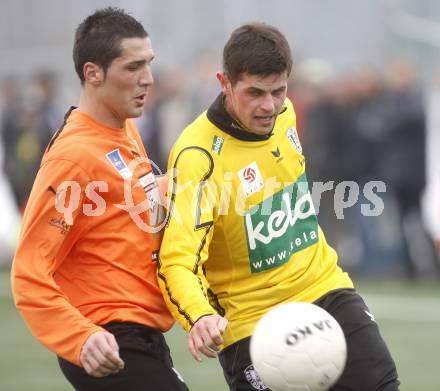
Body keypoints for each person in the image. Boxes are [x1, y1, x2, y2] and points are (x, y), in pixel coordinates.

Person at [158, 23, 400, 391]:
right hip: (252, 322)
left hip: (324, 287)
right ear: (225, 83)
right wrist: (199, 316)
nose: (269, 106)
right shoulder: (198, 157)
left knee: (383, 384)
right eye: (254, 92)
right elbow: (177, 260)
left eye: (278, 91)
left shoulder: (286, 114)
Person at [11, 7, 188, 391]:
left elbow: (126, 208)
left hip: (141, 336)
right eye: (133, 67)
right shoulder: (72, 157)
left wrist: (183, 185)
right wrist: (81, 338)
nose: (148, 80)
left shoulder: (122, 130)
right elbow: (29, 273)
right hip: (105, 338)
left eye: (149, 64)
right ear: (93, 73)